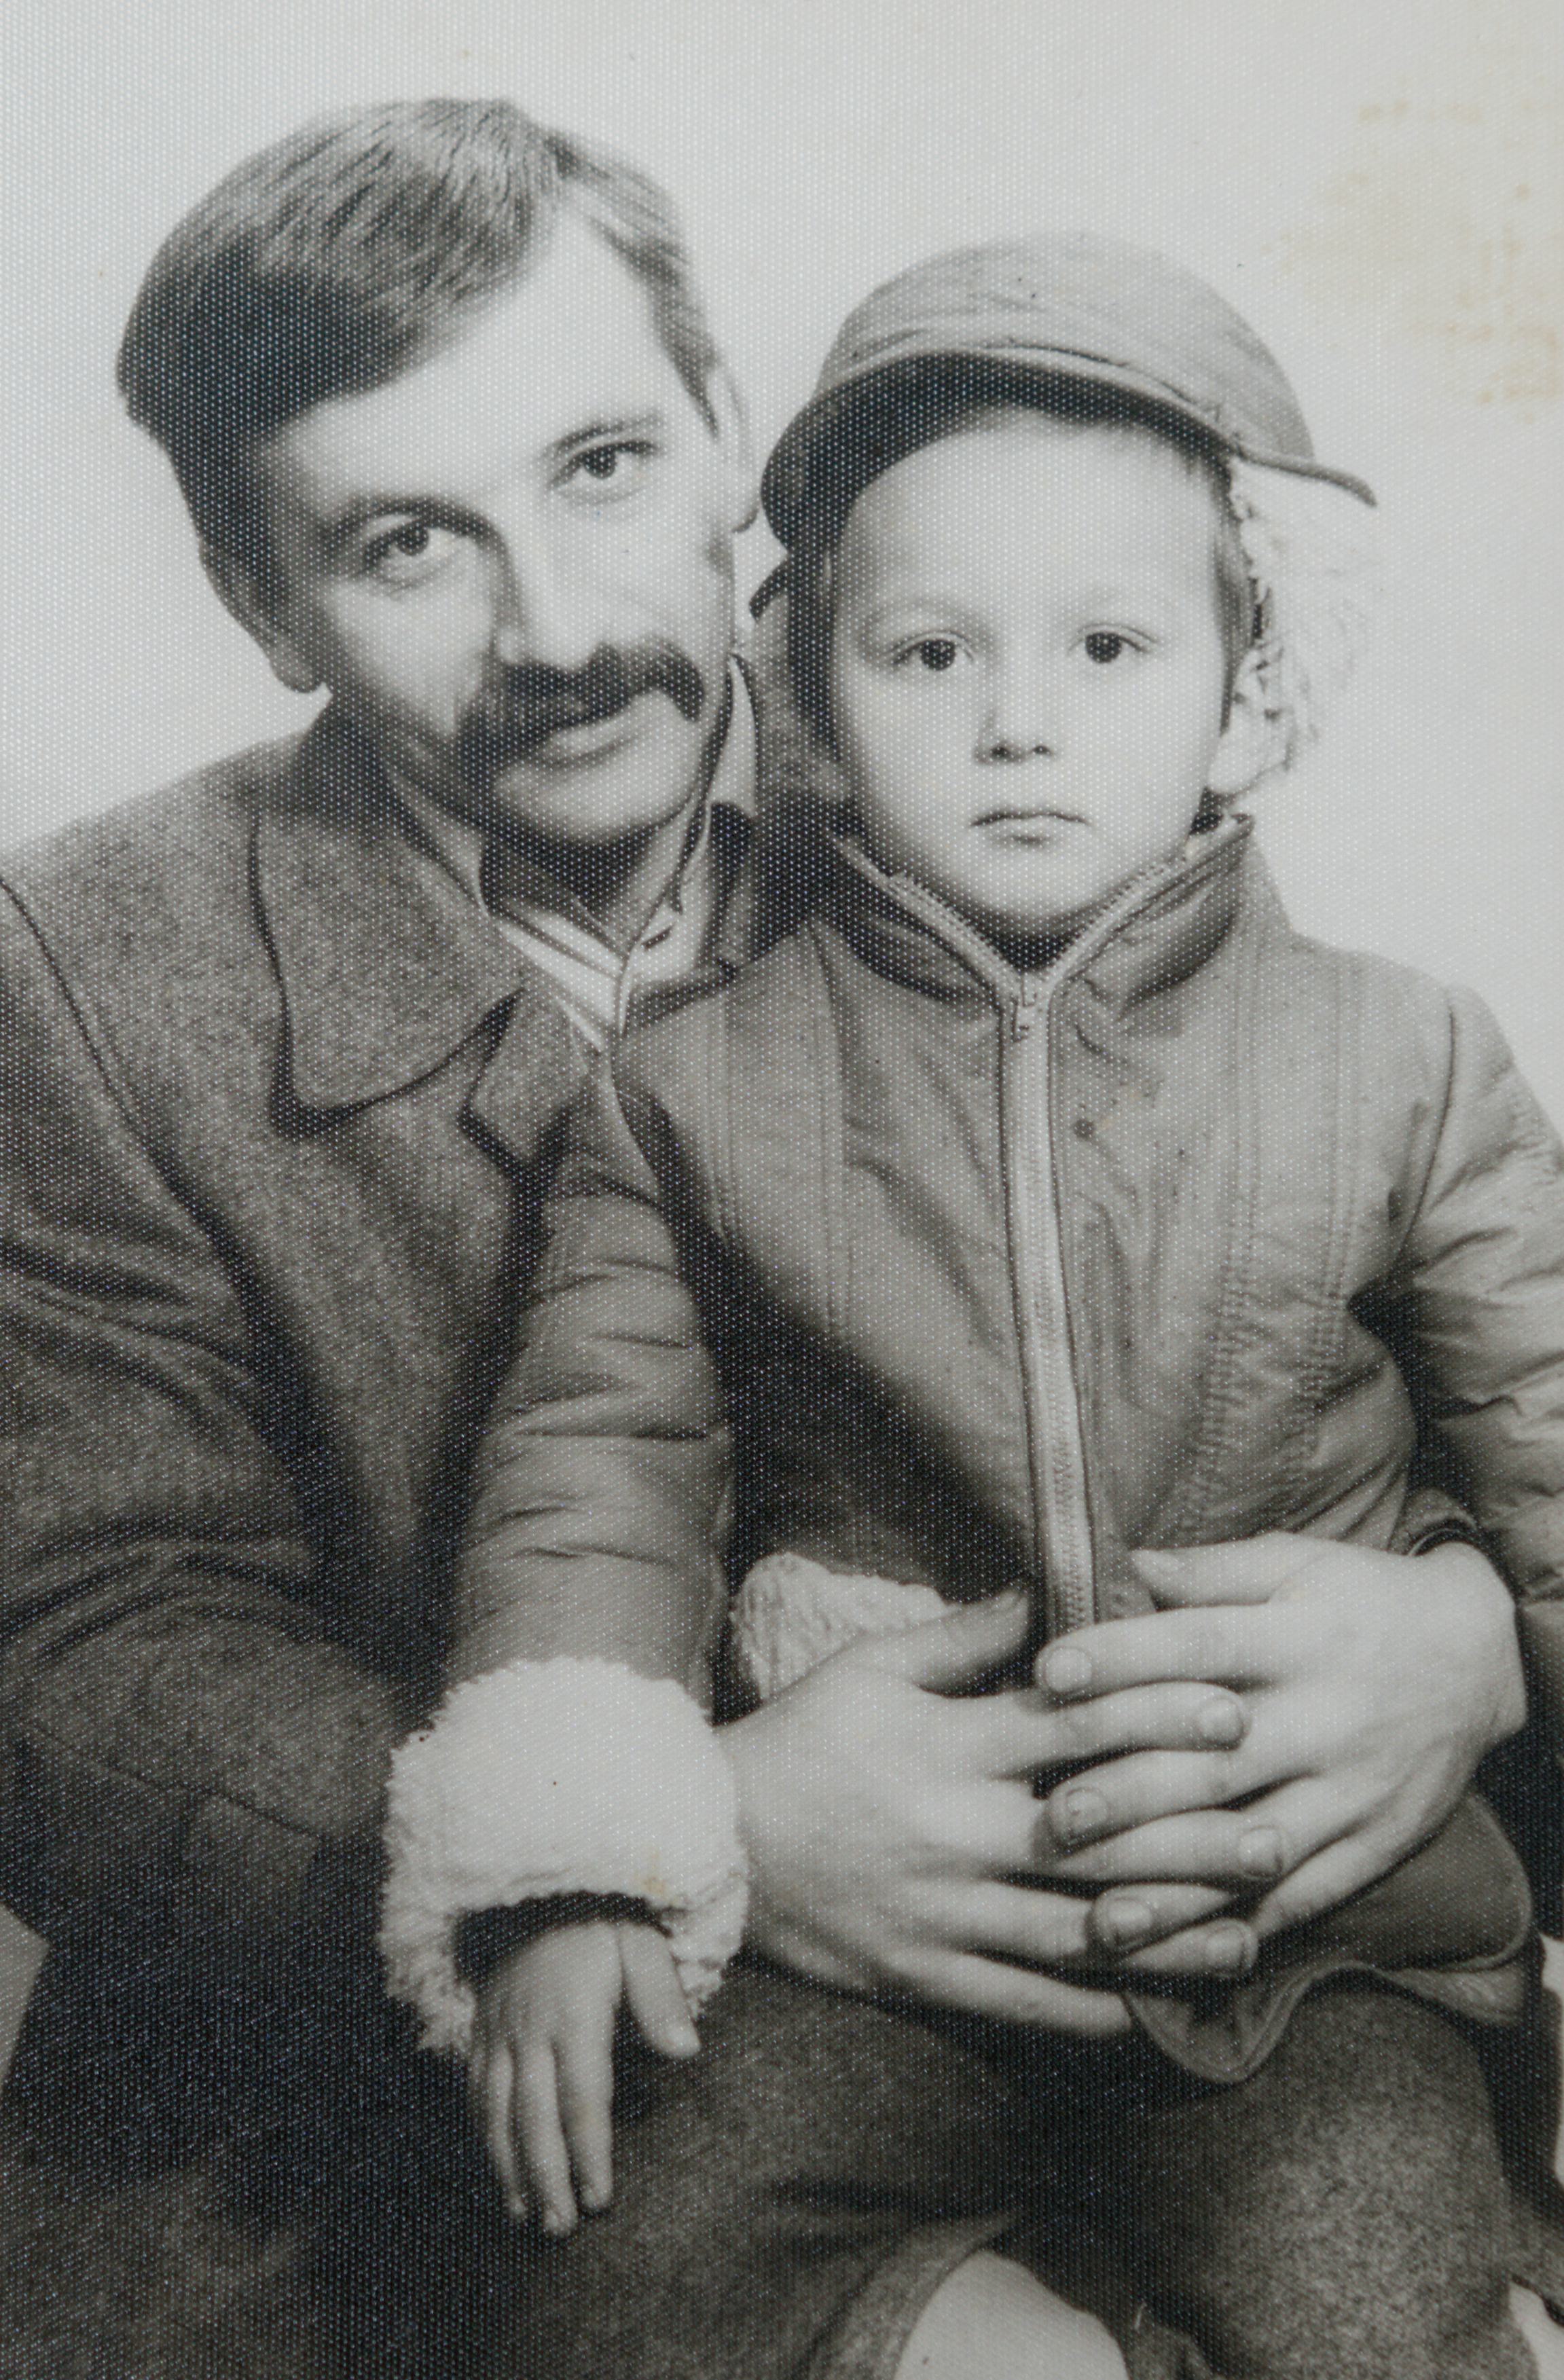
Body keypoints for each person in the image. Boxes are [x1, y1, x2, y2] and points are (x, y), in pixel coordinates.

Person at [0, 102, 1540, 2376]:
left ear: (734, 437)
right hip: (480, 2060)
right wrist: (670, 1820)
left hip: (1203, 1992)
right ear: (258, 596)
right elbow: (80, 1644)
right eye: (409, 539)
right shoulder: (88, 967)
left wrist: (1469, 1639)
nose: (559, 626)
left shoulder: (1006, 730)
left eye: (606, 466)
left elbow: (1320, 1290)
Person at [384, 235, 1564, 2379]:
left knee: (1386, 2302)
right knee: (602, 2280)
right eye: (928, 653)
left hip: (1310, 1953)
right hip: (872, 1961)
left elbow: (1556, 1453)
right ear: (812, 695)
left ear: (1250, 681)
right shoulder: (695, 1092)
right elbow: (592, 1483)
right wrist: (567, 1864)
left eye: (1111, 644)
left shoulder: (1409, 1059)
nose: (1020, 717)